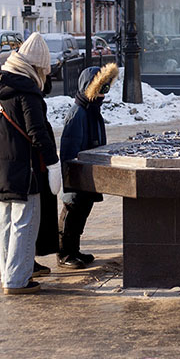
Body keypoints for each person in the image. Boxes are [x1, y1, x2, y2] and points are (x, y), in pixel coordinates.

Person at [0, 32, 60, 295]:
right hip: (24, 170)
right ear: (37, 66)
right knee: (24, 224)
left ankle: (9, 276)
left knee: (6, 224)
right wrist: (53, 165)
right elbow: (37, 132)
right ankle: (18, 281)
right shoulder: (26, 91)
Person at [57, 62, 119, 268]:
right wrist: (71, 179)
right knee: (72, 211)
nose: (104, 93)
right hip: (77, 175)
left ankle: (73, 249)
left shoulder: (92, 110)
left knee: (82, 211)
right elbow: (68, 149)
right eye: (101, 88)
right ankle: (64, 253)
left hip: (87, 173)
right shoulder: (78, 113)